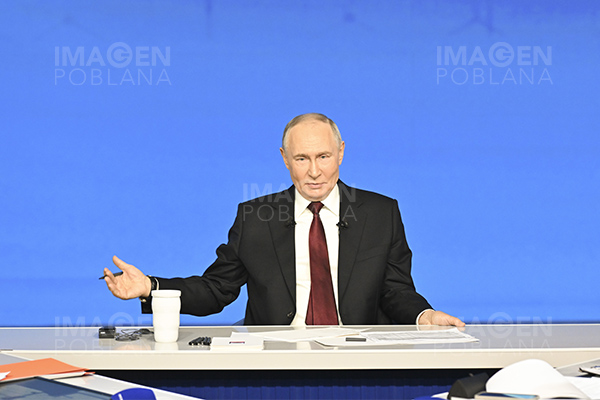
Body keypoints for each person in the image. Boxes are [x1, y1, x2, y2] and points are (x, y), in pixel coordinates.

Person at [103, 113, 464, 327]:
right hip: (277, 356)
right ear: (285, 158)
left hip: (357, 353)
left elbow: (395, 291)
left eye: (323, 157)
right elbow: (216, 290)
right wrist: (149, 286)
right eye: (302, 159)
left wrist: (424, 315)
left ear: (341, 153)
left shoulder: (380, 213)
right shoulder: (255, 218)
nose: (314, 171)